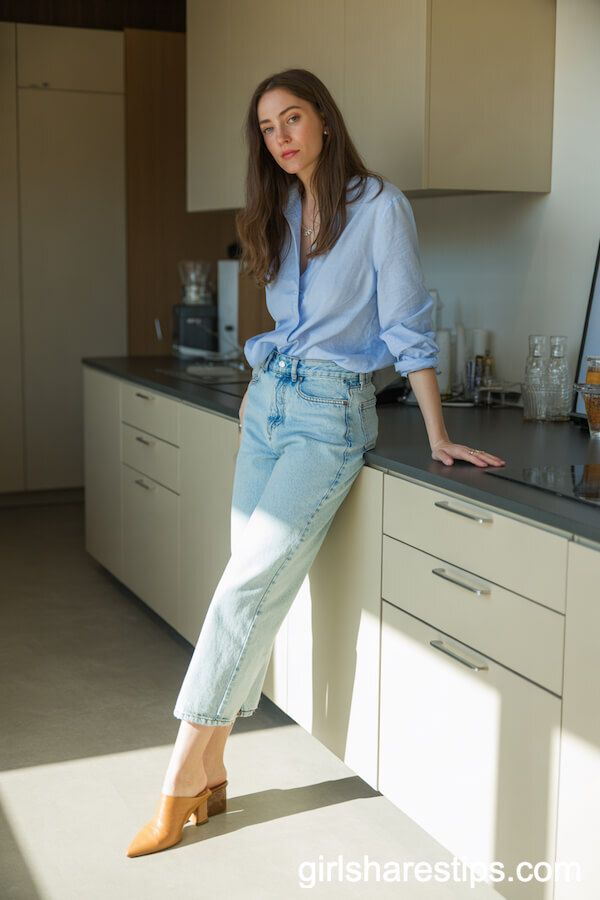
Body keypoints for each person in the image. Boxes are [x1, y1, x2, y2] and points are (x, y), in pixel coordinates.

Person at [125, 68, 505, 858]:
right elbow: (289, 324)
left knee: (241, 589)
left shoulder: (381, 208)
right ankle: (219, 761)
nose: (281, 137)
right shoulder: (286, 207)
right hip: (267, 406)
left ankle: (179, 779)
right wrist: (255, 388)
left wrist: (436, 434)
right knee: (250, 589)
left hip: (330, 414)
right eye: (267, 128)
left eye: (292, 118)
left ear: (324, 119)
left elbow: (406, 324)